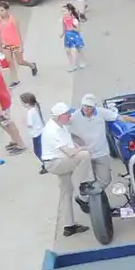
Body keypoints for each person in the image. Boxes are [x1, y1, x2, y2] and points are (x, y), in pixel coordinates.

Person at [70, 94, 135, 190]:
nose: (86, 108)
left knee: (105, 180)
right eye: (84, 105)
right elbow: (63, 130)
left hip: (101, 153)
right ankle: (87, 200)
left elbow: (122, 118)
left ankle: (94, 193)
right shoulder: (74, 117)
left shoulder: (102, 113)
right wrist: (76, 144)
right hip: (85, 154)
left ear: (94, 106)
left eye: (89, 106)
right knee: (86, 180)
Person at [40, 102, 91, 237]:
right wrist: (83, 148)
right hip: (56, 162)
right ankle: (83, 187)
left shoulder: (59, 125)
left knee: (66, 191)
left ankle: (69, 226)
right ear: (60, 116)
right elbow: (70, 152)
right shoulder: (53, 130)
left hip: (59, 161)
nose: (69, 116)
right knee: (85, 156)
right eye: (67, 114)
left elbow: (69, 142)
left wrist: (77, 146)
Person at [0, 1, 37, 84]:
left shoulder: (13, 19)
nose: (0, 13)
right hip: (5, 45)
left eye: (2, 10)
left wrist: (21, 46)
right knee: (10, 62)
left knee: (20, 61)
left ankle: (32, 65)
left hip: (15, 44)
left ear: (7, 10)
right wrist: (0, 46)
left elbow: (18, 33)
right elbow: (0, 33)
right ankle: (15, 80)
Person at [20, 91, 46, 168]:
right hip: (40, 131)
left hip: (36, 134)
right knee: (41, 148)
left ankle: (45, 164)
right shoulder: (36, 108)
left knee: (38, 151)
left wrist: (24, 122)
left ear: (27, 103)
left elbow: (30, 124)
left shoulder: (29, 113)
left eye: (22, 102)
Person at [61, 2, 87, 70]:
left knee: (79, 49)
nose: (63, 13)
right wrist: (63, 33)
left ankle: (82, 61)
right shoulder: (64, 19)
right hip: (67, 37)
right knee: (67, 51)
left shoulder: (74, 20)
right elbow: (64, 26)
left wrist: (73, 28)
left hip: (75, 36)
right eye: (62, 11)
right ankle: (72, 64)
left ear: (70, 12)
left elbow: (78, 29)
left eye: (64, 11)